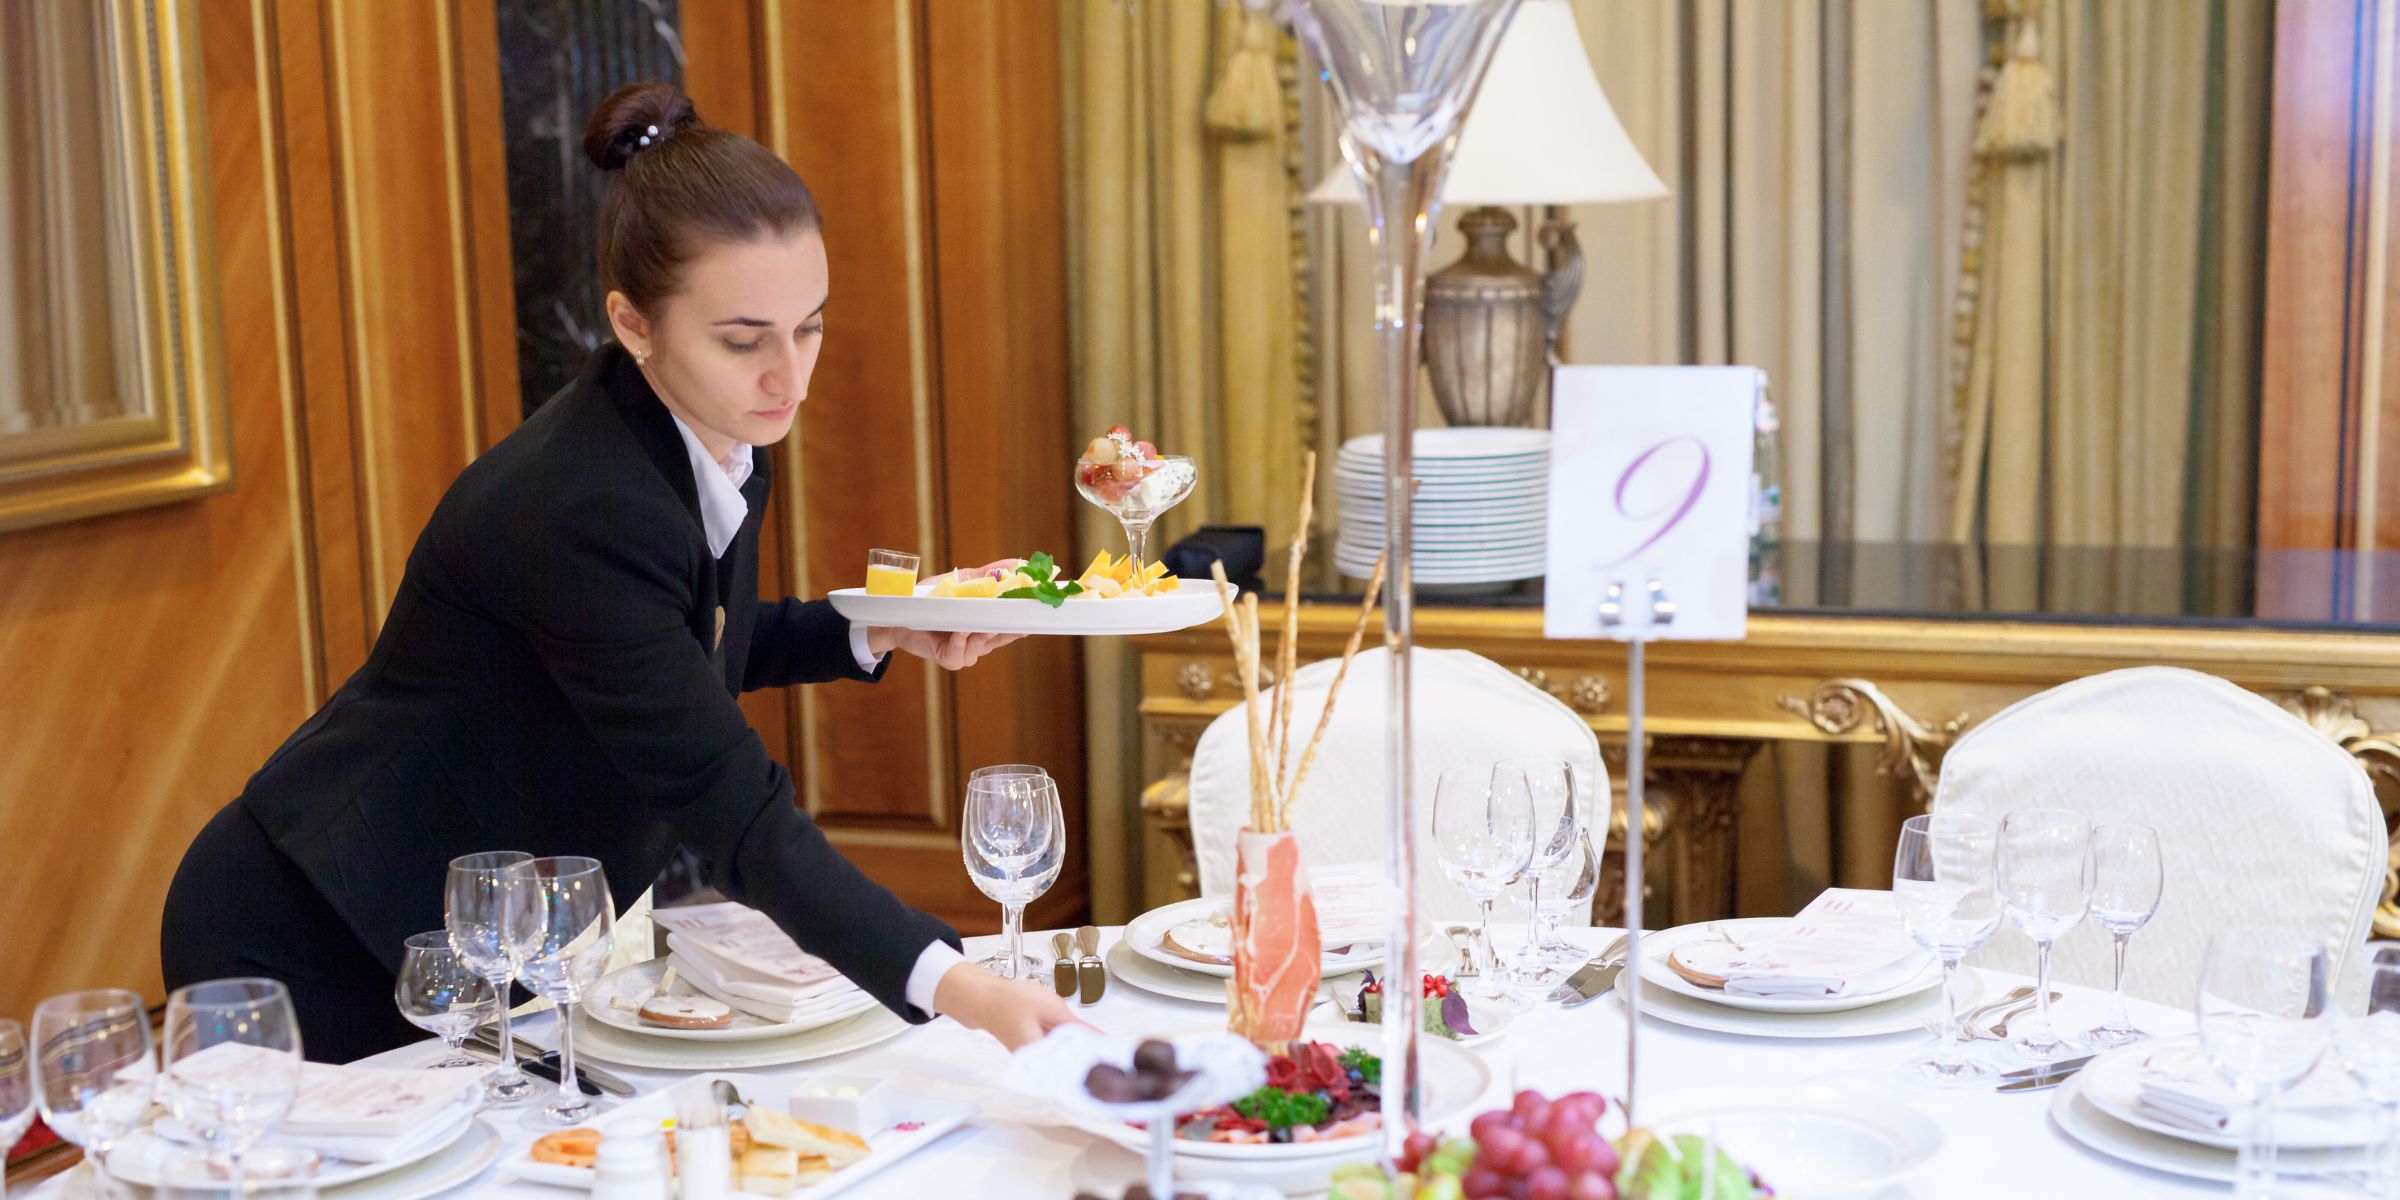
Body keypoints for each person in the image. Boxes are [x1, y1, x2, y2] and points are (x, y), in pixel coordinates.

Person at [161, 81, 1079, 1063]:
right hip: (313, 929)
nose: (790, 376)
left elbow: (679, 647)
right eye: (744, 338)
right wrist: (960, 986)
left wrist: (878, 626)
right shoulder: (581, 502)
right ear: (634, 323)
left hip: (459, 932)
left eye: (807, 324)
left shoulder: (707, 428)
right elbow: (729, 804)